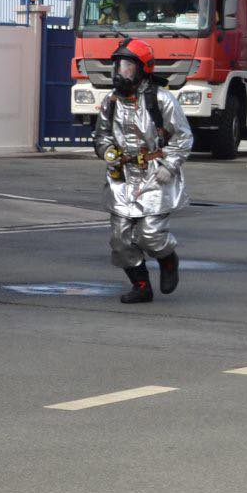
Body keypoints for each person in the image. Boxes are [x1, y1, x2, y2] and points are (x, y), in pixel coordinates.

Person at [93, 37, 191, 303]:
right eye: (117, 66)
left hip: (155, 174)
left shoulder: (162, 99)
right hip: (122, 176)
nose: (120, 72)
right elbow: (101, 135)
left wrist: (170, 165)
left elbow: (183, 137)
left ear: (142, 69)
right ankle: (141, 286)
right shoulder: (111, 101)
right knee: (120, 239)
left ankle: (168, 259)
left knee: (150, 235)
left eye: (127, 66)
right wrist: (107, 151)